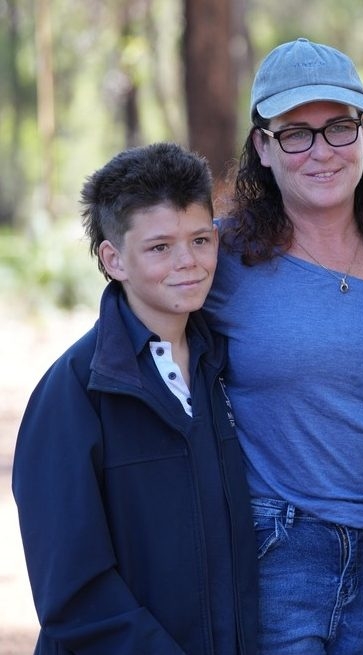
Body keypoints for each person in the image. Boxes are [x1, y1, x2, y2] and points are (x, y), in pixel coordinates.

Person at [202, 38, 363, 654]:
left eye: (339, 128)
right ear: (263, 148)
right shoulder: (221, 258)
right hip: (278, 547)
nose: (321, 151)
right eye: (295, 133)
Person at [12, 142, 259, 654]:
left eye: (199, 239)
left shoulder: (224, 369)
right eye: (159, 247)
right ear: (113, 258)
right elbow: (72, 592)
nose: (188, 263)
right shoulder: (73, 394)